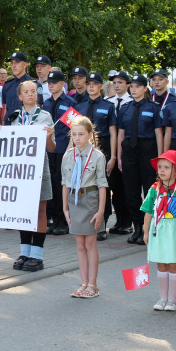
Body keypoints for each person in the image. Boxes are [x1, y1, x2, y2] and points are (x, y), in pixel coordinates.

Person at [8, 80, 55, 272]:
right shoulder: (14, 117)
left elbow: (52, 149)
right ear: (20, 96)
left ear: (37, 94)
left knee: (40, 211)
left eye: (33, 91)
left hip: (39, 169)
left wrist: (49, 137)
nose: (29, 94)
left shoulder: (45, 116)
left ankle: (37, 255)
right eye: (26, 92)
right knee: (23, 211)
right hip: (20, 171)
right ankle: (24, 251)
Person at [61, 117, 108, 298]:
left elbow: (102, 184)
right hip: (73, 199)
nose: (77, 138)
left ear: (90, 134)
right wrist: (65, 208)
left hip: (90, 199)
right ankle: (83, 282)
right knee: (79, 244)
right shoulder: (68, 155)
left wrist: (101, 211)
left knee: (90, 243)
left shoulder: (97, 156)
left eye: (81, 134)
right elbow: (65, 183)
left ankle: (93, 284)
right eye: (74, 134)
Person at [141, 150, 176, 311]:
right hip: (159, 230)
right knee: (161, 264)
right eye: (160, 167)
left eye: (166, 167)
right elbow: (148, 212)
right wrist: (145, 231)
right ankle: (162, 298)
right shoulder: (154, 190)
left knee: (174, 265)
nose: (161, 171)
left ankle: (172, 300)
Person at [116, 74, 164, 244]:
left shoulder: (153, 108)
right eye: (132, 87)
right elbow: (121, 134)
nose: (134, 90)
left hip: (148, 151)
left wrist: (160, 158)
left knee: (150, 190)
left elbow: (159, 133)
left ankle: (149, 227)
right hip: (129, 151)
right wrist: (119, 157)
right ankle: (137, 227)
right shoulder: (125, 108)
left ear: (145, 89)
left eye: (137, 86)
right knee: (131, 192)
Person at [74, 72, 117, 240]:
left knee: (101, 185)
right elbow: (73, 132)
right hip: (83, 148)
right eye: (89, 83)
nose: (91, 86)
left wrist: (113, 156)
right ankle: (85, 223)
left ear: (101, 86)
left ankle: (102, 223)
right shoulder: (80, 106)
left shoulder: (108, 106)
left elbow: (113, 132)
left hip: (103, 147)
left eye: (95, 84)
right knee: (85, 185)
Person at [43, 70, 76, 235]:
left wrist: (70, 149)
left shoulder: (70, 103)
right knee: (51, 184)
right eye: (49, 82)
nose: (51, 85)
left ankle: (64, 221)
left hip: (63, 148)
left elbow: (73, 129)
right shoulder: (46, 103)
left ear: (63, 84)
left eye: (54, 82)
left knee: (61, 184)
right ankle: (54, 220)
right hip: (50, 148)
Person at [106, 71, 134, 236]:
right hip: (111, 147)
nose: (116, 85)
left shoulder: (131, 102)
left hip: (126, 147)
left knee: (127, 187)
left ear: (128, 85)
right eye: (114, 83)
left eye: (120, 83)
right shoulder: (108, 102)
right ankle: (119, 221)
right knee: (114, 186)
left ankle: (128, 221)